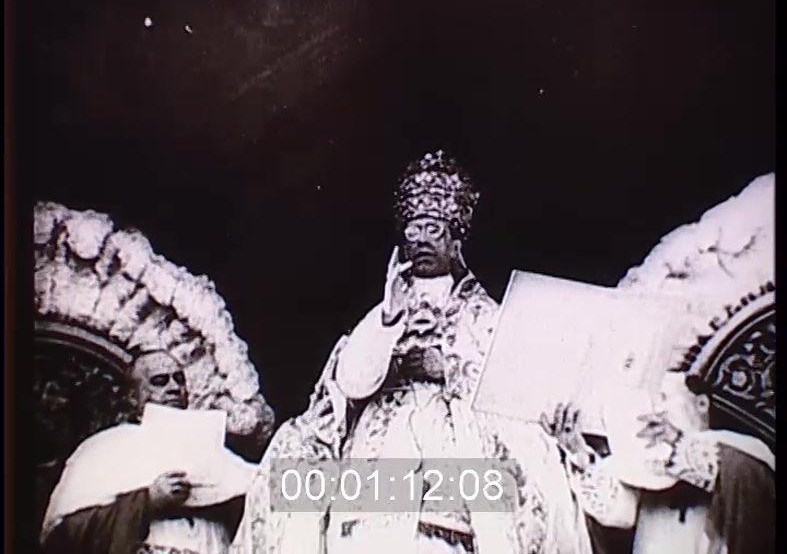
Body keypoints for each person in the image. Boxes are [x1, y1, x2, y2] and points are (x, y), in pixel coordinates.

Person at [233, 150, 592, 554]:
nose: (420, 239)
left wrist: (448, 369)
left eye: (432, 229)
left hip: (455, 474)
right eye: (413, 229)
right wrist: (388, 318)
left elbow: (510, 390)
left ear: (455, 240)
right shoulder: (387, 308)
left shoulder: (484, 315)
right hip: (378, 468)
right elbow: (350, 383)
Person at [40, 350, 256, 554]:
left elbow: (258, 503)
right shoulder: (104, 447)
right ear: (133, 397)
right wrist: (148, 501)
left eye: (179, 379)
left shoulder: (215, 449)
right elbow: (66, 536)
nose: (174, 388)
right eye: (160, 381)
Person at [541, 368, 775, 554]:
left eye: (664, 397)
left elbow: (749, 483)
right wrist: (580, 454)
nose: (656, 410)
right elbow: (621, 513)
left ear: (701, 403)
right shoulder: (648, 467)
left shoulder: (744, 451)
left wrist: (678, 444)